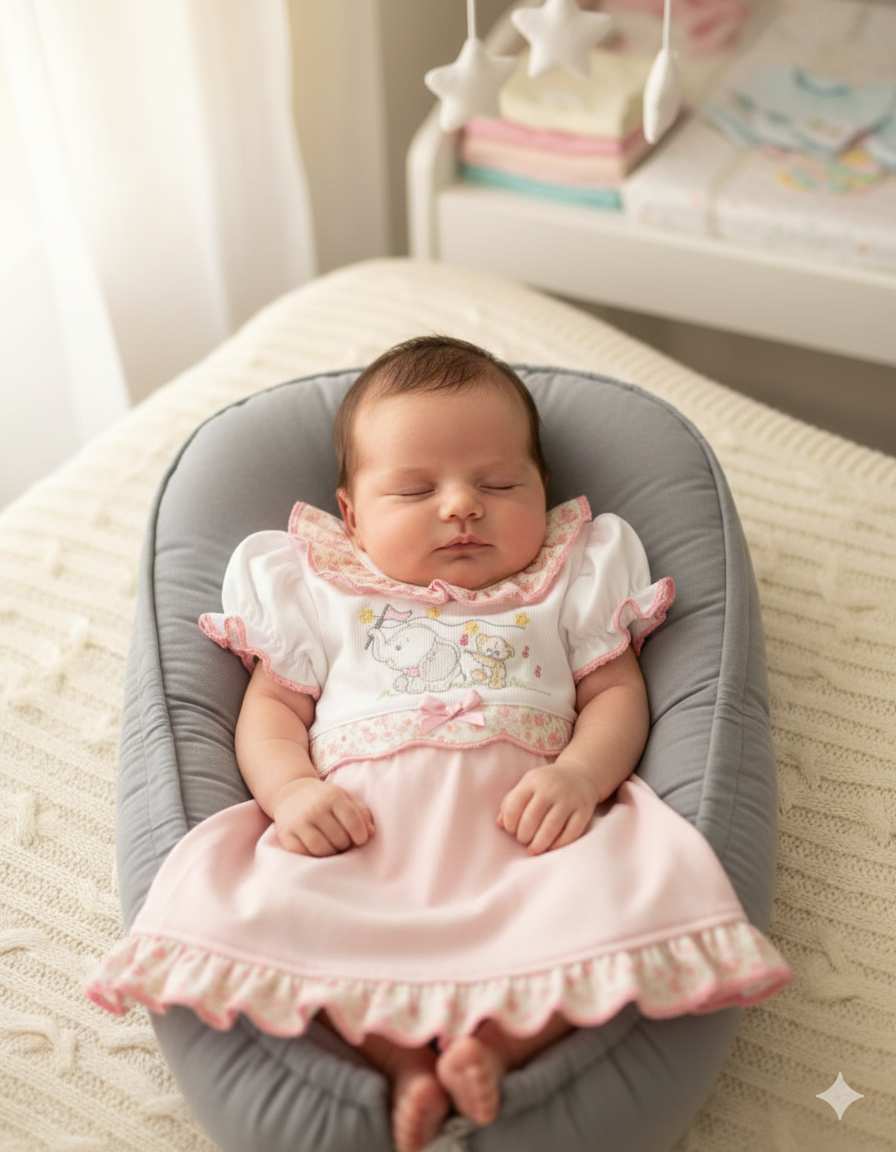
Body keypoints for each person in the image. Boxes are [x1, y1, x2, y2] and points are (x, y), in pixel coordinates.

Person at [87, 336, 791, 1152]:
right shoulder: (319, 587)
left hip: (532, 841)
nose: (462, 506)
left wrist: (579, 774)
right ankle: (398, 1061)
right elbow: (271, 713)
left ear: (543, 491)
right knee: (277, 916)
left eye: (499, 484)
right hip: (361, 846)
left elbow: (617, 695)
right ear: (352, 516)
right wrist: (293, 792)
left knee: (615, 903)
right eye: (416, 489)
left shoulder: (569, 576)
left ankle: (495, 1046)